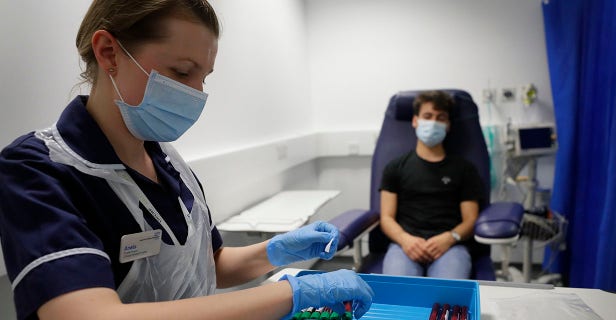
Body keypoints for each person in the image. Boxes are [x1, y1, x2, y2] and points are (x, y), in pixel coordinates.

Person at [0, 1, 373, 319]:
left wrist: (274, 251)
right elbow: (92, 315)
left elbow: (208, 265)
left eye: (203, 78)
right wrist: (291, 294)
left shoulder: (168, 161)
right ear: (109, 52)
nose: (196, 94)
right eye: (181, 72)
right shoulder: (38, 170)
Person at [379, 90, 484, 279]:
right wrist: (405, 240)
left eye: (440, 117)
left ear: (448, 125)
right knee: (399, 296)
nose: (433, 122)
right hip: (405, 245)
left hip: (450, 247)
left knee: (446, 299)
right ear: (415, 121)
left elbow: (470, 220)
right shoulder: (395, 167)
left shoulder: (464, 169)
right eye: (427, 116)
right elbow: (386, 217)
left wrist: (450, 238)